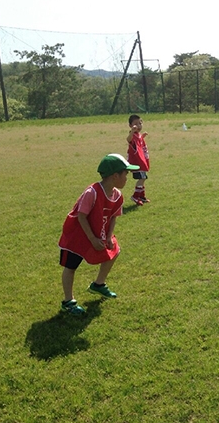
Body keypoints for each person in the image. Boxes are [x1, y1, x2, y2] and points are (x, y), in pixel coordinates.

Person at [57, 154, 139, 315]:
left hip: (97, 232)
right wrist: (92, 239)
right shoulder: (92, 192)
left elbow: (114, 216)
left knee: (115, 250)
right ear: (115, 176)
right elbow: (81, 216)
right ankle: (68, 301)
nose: (127, 178)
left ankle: (98, 284)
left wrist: (109, 236)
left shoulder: (117, 195)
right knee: (71, 267)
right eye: (125, 174)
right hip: (78, 235)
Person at [127, 114, 150, 206]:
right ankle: (135, 196)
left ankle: (141, 196)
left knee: (144, 178)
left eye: (140, 123)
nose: (138, 126)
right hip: (137, 162)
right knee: (142, 178)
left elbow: (138, 142)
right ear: (130, 125)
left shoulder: (138, 135)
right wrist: (131, 132)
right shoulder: (132, 135)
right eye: (135, 124)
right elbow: (128, 140)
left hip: (142, 161)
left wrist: (142, 137)